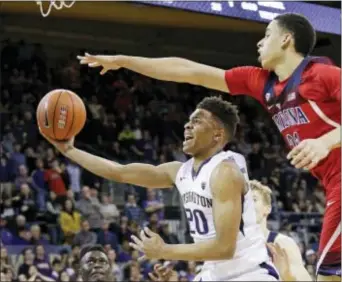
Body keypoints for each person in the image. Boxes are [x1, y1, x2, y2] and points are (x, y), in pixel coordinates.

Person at [77, 13, 341, 281]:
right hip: (331, 183)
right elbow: (190, 71)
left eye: (267, 35)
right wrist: (124, 61)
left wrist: (326, 141)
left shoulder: (322, 74)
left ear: (287, 39)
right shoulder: (262, 82)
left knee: (328, 276)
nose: (260, 43)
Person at [40, 97, 278, 281]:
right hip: (213, 273)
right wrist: (69, 151)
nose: (187, 125)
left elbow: (226, 248)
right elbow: (119, 172)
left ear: (218, 133)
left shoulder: (225, 172)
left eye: (197, 121)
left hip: (249, 272)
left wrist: (165, 250)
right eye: (189, 119)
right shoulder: (179, 171)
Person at [250, 180, 312, 281]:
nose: (248, 205)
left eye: (254, 199)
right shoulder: (233, 247)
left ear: (267, 209)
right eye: (244, 201)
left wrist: (286, 275)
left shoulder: (282, 243)